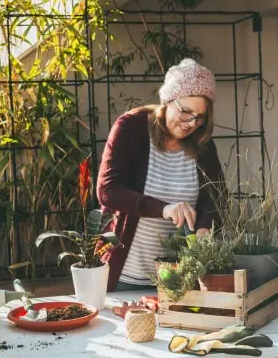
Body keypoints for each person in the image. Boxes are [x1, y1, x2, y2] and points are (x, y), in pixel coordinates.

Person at [97, 58, 226, 293]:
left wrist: (205, 227)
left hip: (179, 279)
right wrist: (165, 208)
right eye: (186, 112)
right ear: (167, 100)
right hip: (126, 276)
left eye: (200, 117)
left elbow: (216, 196)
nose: (191, 123)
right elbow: (108, 189)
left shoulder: (203, 145)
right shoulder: (131, 127)